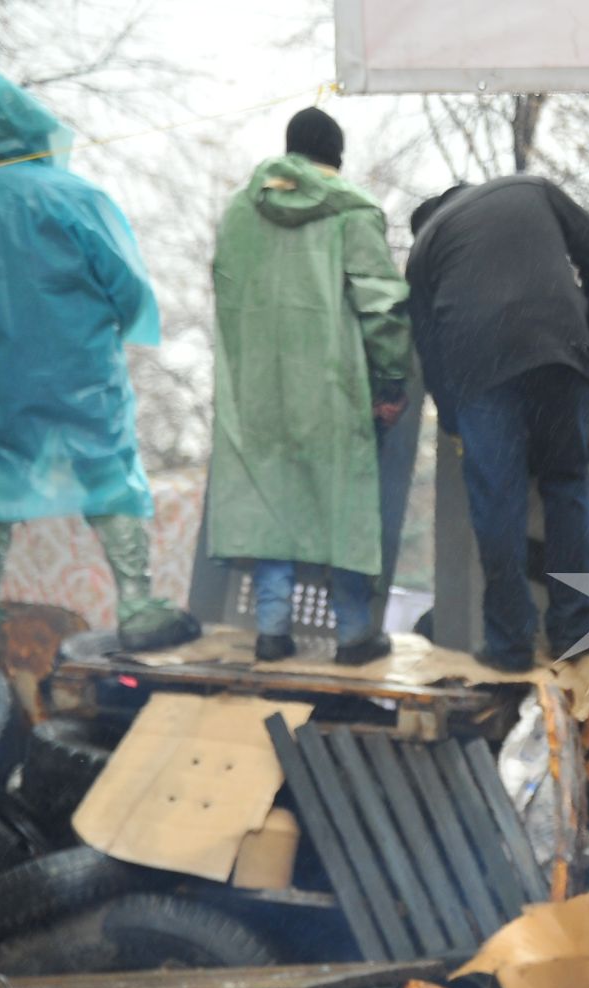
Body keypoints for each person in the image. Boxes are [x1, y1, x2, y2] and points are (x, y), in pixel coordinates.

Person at [0, 69, 198, 663]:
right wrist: (124, 325)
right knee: (108, 472)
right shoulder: (76, 198)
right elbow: (127, 283)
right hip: (80, 369)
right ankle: (138, 604)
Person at [207, 106, 413, 664]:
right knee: (341, 500)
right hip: (331, 383)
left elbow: (224, 294)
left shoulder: (239, 213)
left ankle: (272, 631)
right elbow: (381, 303)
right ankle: (352, 636)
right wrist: (392, 378)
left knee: (273, 498)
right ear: (336, 160)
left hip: (256, 384)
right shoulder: (354, 212)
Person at [405, 176, 589, 671]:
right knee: (566, 486)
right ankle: (574, 632)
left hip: (481, 366)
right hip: (558, 351)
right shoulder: (529, 189)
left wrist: (455, 421)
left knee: (496, 504)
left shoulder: (423, 248)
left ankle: (510, 643)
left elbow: (429, 349)